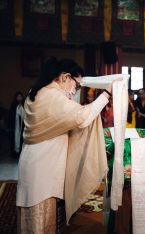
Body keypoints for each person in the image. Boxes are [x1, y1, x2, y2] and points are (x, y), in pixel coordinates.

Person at [16, 57, 115, 233]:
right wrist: (106, 94)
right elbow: (81, 117)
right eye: (76, 86)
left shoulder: (37, 91)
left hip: (33, 162)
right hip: (43, 168)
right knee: (41, 221)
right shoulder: (52, 96)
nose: (74, 92)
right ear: (65, 77)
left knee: (33, 220)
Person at [8, 91, 25, 157]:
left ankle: (20, 154)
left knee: (21, 140)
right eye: (18, 97)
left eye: (20, 97)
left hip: (21, 126)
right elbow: (11, 115)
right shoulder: (13, 105)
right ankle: (14, 154)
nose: (19, 98)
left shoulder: (23, 105)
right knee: (14, 140)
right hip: (15, 126)